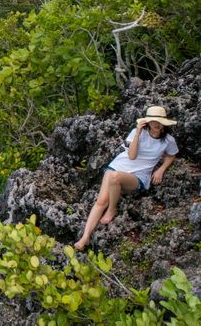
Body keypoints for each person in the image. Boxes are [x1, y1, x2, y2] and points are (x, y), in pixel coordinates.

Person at [74, 106, 179, 251]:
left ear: (164, 123)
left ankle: (112, 209)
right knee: (101, 200)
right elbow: (132, 155)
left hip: (139, 175)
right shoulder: (137, 133)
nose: (156, 124)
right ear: (147, 122)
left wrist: (161, 169)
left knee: (114, 177)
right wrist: (137, 133)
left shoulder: (168, 140)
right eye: (153, 121)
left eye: (159, 121)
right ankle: (85, 237)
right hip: (119, 166)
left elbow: (171, 155)